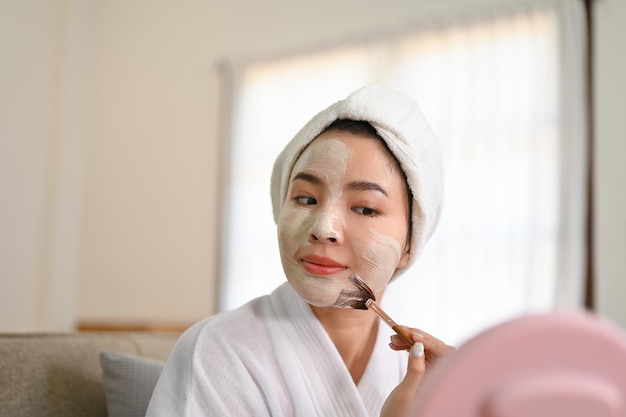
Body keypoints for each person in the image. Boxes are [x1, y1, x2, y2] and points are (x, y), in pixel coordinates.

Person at [146, 84, 455, 417]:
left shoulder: (428, 378)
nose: (324, 228)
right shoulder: (216, 353)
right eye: (306, 199)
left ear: (410, 243)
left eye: (365, 209)